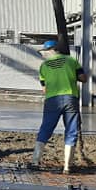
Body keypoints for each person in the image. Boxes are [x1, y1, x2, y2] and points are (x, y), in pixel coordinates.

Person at [31, 39, 86, 173]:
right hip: (70, 98)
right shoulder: (71, 61)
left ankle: (35, 161)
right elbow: (83, 78)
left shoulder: (44, 66)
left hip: (52, 100)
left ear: (49, 51)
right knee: (71, 130)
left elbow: (44, 89)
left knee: (46, 128)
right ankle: (67, 166)